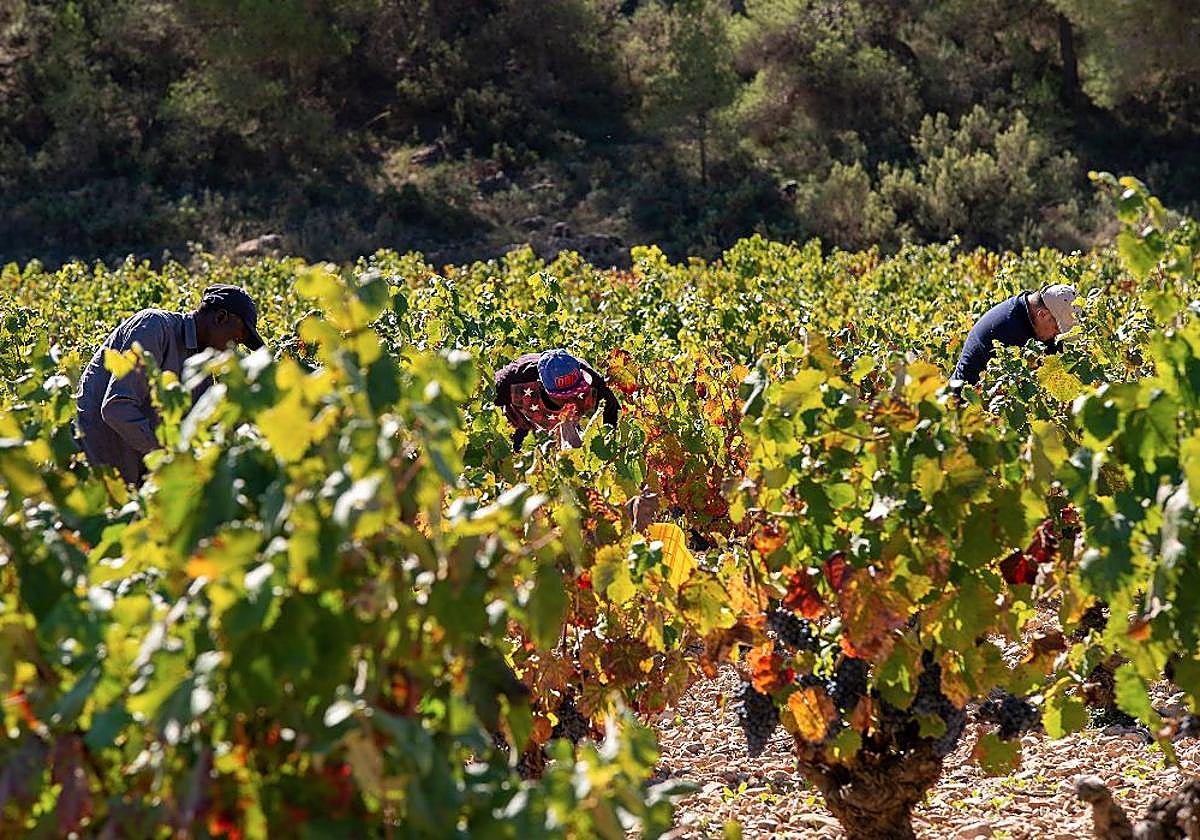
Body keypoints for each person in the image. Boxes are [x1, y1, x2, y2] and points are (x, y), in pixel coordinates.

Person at [75, 284, 265, 484]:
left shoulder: (202, 373)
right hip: (91, 471)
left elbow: (195, 433)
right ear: (220, 318)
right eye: (234, 340)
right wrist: (167, 457)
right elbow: (116, 407)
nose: (232, 350)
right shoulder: (154, 327)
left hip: (130, 483)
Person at [951, 284, 1080, 388]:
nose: (1058, 335)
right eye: (1058, 328)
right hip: (963, 409)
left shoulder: (1031, 313)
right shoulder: (1009, 330)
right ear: (1043, 315)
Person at [494, 348, 620, 450]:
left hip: (565, 425)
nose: (571, 400)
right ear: (541, 386)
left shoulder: (595, 383)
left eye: (576, 392)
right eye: (563, 398)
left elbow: (612, 418)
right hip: (521, 421)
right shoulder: (510, 382)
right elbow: (485, 402)